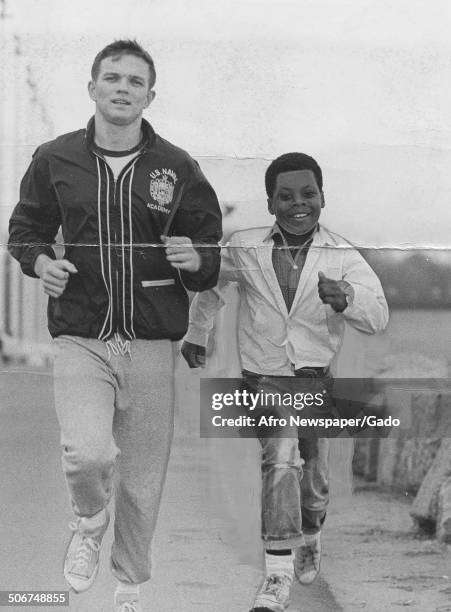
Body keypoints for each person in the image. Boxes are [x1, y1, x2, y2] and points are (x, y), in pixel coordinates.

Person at [8, 39, 222, 612]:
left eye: (134, 81)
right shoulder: (55, 159)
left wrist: (197, 260)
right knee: (86, 453)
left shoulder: (178, 168)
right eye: (112, 77)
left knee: (142, 481)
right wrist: (40, 262)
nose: (122, 88)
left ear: (150, 95)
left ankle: (129, 586)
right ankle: (87, 522)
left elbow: (209, 249)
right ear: (93, 88)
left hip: (152, 342)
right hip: (82, 336)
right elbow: (24, 230)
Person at [181, 152, 388, 612]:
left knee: (311, 479)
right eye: (286, 196)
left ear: (322, 197)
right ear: (271, 203)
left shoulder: (341, 252)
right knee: (281, 453)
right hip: (263, 380)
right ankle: (276, 576)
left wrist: (348, 298)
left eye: (308, 194)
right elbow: (210, 289)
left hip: (314, 381)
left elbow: (378, 315)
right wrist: (198, 333)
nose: (299, 204)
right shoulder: (246, 245)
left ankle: (311, 532)